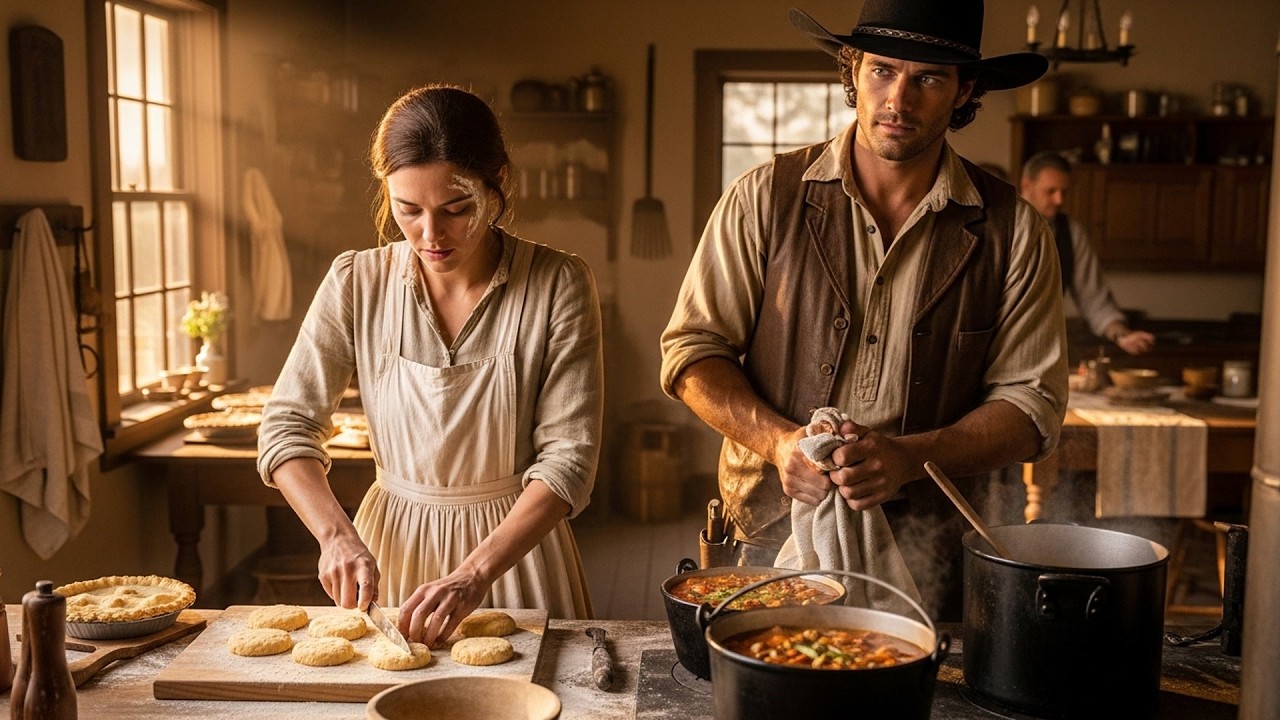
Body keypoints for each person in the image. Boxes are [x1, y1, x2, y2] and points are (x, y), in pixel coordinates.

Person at [660, 0, 1069, 621]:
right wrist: (779, 444)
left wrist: (910, 457)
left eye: (928, 77)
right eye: (882, 69)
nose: (898, 100)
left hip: (939, 547)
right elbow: (691, 353)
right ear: (852, 70)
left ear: (967, 90)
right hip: (773, 528)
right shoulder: (764, 196)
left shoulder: (1014, 229)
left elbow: (1033, 407)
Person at [257, 84, 604, 646]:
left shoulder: (558, 283)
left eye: (456, 209)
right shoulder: (356, 283)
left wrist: (474, 575)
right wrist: (336, 536)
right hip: (389, 555)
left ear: (499, 187)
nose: (430, 235)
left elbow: (569, 460)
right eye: (407, 210)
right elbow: (286, 428)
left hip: (515, 558)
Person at [1020, 150, 1156, 355]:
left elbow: (1094, 300)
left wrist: (1122, 336)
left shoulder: (1071, 233)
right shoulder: (1001, 226)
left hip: (1043, 349)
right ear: (1027, 185)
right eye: (1051, 191)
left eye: (1064, 192)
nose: (1059, 200)